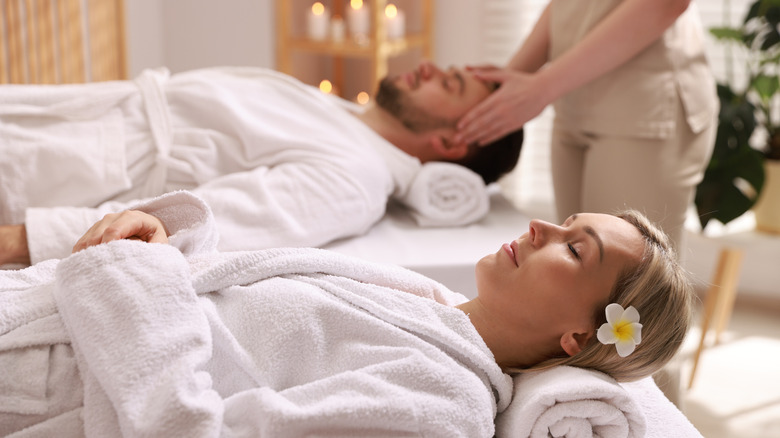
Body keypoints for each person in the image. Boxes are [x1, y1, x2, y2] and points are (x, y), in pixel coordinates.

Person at [1, 190, 692, 437]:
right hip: (43, 310)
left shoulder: (442, 405)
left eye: (576, 249)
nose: (540, 226)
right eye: (565, 221)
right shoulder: (427, 303)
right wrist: (161, 238)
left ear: (577, 338)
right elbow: (243, 302)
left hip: (39, 384)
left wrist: (134, 284)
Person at [0, 61, 524, 266]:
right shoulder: (344, 118)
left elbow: (186, 220)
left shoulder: (354, 179)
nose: (430, 67)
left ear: (455, 142)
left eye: (449, 84)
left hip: (56, 167)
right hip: (65, 122)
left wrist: (15, 242)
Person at [454, 0, 718, 253]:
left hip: (642, 111)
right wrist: (505, 92)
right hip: (572, 102)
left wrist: (541, 88)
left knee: (631, 291)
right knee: (573, 282)